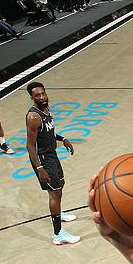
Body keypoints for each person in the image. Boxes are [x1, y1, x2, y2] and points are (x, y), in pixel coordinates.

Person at [25, 81, 79, 245]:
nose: (42, 97)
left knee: (60, 183)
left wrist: (62, 139)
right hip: (42, 158)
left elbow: (50, 131)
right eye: (37, 95)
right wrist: (40, 168)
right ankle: (58, 234)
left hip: (52, 154)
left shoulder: (46, 110)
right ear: (31, 97)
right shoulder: (33, 117)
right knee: (54, 192)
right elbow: (29, 145)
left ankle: (58, 214)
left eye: (43, 93)